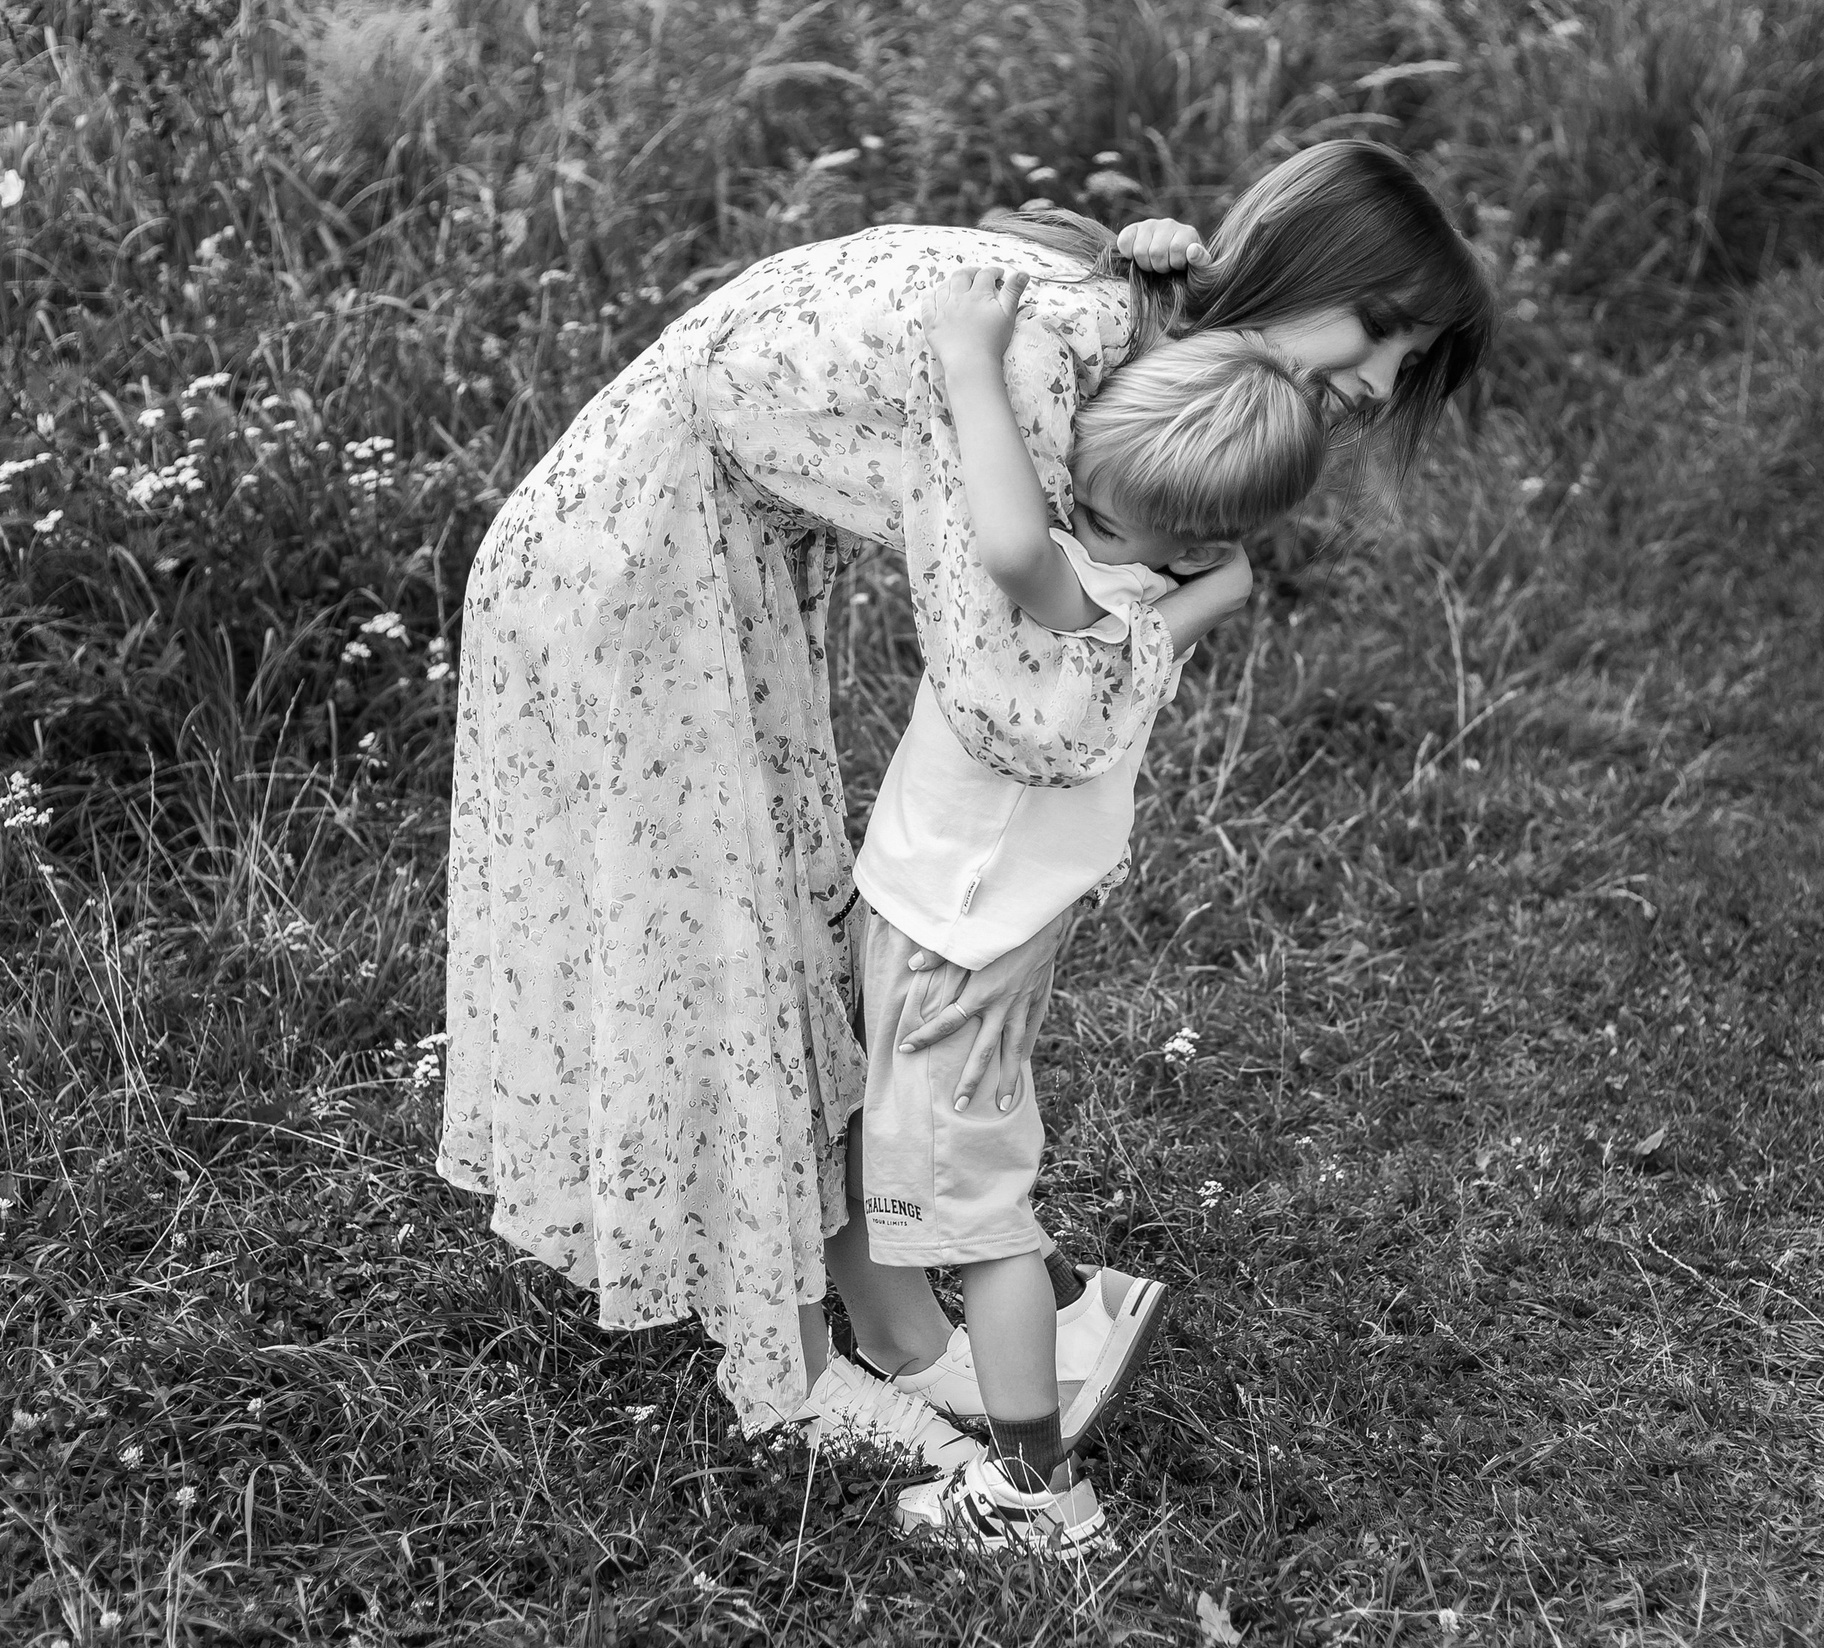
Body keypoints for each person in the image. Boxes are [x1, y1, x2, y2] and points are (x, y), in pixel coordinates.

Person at [439, 139, 1491, 1463]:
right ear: (1297, 263)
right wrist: (1019, 920)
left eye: (1413, 357)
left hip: (714, 545)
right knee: (730, 939)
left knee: (790, 924)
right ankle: (807, 1354)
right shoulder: (1052, 349)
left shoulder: (1125, 340)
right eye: (1385, 327)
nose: (1386, 380)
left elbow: (1051, 628)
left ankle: (880, 1308)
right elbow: (1012, 695)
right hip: (624, 561)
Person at [828, 269, 1325, 1553]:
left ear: (1174, 544)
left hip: (954, 940)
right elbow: (1225, 573)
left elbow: (1004, 544)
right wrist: (1153, 320)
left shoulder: (1089, 601)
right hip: (980, 925)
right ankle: (1075, 1306)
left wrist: (968, 361)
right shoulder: (1171, 592)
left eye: (1091, 510)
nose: (1064, 514)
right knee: (947, 1161)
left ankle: (1033, 1493)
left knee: (972, 1215)